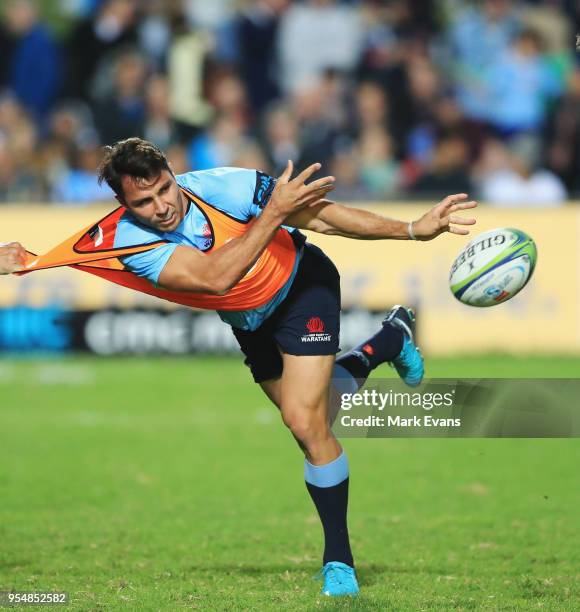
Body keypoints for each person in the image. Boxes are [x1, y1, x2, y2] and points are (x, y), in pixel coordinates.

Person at [1, 138, 477, 597]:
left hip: (302, 287)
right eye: (144, 201)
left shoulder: (226, 186)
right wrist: (274, 212)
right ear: (124, 204)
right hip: (249, 319)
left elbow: (323, 219)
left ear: (173, 174)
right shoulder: (127, 241)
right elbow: (214, 278)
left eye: (165, 188)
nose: (161, 206)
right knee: (317, 412)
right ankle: (389, 339)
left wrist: (413, 229)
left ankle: (339, 560)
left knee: (304, 421)